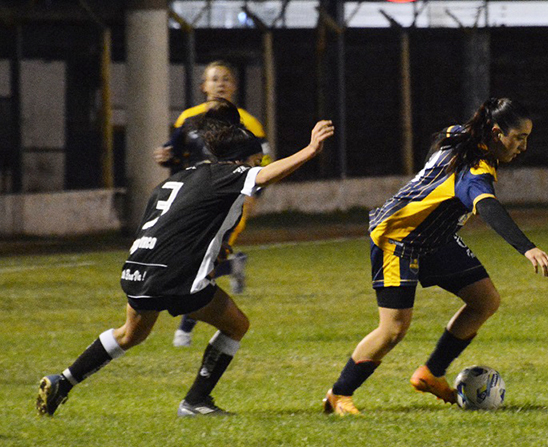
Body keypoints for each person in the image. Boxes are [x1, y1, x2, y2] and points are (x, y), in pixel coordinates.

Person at [36, 99, 334, 417]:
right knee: (236, 325)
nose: (258, 164)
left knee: (130, 334)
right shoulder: (228, 175)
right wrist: (311, 150)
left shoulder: (176, 179)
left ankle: (62, 382)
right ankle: (195, 402)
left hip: (138, 270)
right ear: (240, 160)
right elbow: (264, 177)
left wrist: (214, 248)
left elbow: (173, 224)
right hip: (173, 277)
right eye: (255, 159)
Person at [323, 98, 548, 416]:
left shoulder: (460, 134)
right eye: (519, 138)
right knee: (393, 329)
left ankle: (431, 373)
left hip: (436, 237)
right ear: (497, 132)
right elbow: (488, 208)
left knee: (484, 300)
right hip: (399, 238)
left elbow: (439, 137)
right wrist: (526, 247)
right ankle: (339, 394)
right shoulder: (475, 171)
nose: (523, 146)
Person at [153, 60, 272, 347]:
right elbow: (176, 152)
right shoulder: (188, 119)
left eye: (226, 79)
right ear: (203, 86)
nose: (220, 83)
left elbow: (265, 163)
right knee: (196, 256)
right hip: (194, 198)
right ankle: (233, 267)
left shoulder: (248, 122)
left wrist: (253, 195)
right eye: (214, 79)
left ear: (233, 86)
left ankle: (185, 328)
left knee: (205, 258)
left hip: (232, 199)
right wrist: (165, 156)